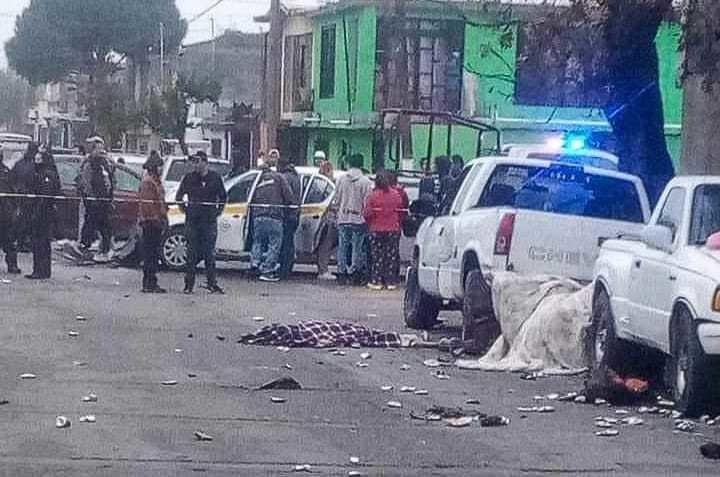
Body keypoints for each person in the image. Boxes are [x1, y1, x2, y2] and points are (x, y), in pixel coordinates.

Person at [175, 151, 227, 295]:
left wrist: (218, 211)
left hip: (209, 221)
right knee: (191, 254)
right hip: (193, 221)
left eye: (198, 161)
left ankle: (212, 283)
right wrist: (186, 210)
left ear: (205, 162)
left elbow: (223, 196)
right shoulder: (189, 178)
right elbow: (179, 196)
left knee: (209, 254)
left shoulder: (215, 178)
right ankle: (188, 285)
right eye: (194, 162)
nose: (195, 165)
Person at [249, 159, 295, 282]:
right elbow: (289, 196)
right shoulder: (279, 178)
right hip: (274, 216)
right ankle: (267, 271)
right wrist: (291, 208)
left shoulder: (257, 178)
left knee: (257, 241)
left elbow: (249, 195)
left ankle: (255, 263)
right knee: (274, 244)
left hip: (258, 216)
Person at [334, 153, 373, 285]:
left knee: (342, 246)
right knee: (357, 247)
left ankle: (341, 272)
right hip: (358, 219)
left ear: (349, 163)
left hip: (343, 217)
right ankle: (355, 273)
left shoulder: (341, 179)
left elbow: (337, 199)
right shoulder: (366, 182)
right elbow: (367, 203)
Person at [364, 171, 405, 291]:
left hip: (376, 229)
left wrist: (370, 222)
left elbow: (367, 213)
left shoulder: (373, 195)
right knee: (391, 256)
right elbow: (401, 210)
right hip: (393, 228)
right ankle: (390, 282)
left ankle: (376, 281)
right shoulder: (396, 194)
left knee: (377, 256)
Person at [77, 137, 115, 261]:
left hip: (104, 201)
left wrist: (109, 196)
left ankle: (105, 249)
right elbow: (86, 182)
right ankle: (85, 246)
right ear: (93, 150)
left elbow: (110, 179)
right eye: (98, 149)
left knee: (106, 226)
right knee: (90, 224)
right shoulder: (89, 164)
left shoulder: (104, 164)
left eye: (102, 148)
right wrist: (92, 198)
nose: (101, 151)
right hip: (94, 202)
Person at [26, 148, 61, 279]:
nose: (36, 162)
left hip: (43, 213)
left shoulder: (47, 175)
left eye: (38, 160)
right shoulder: (42, 173)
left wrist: (37, 211)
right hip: (41, 212)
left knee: (41, 242)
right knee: (41, 242)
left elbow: (45, 195)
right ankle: (41, 270)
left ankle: (41, 270)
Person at [138, 151, 167, 294]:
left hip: (156, 220)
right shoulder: (148, 182)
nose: (162, 169)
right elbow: (148, 205)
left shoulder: (155, 181)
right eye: (160, 166)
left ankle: (151, 282)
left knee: (153, 254)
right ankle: (149, 282)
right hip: (150, 222)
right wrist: (156, 219)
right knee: (150, 254)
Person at [11, 143, 38, 252]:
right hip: (30, 197)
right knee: (27, 221)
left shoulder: (19, 163)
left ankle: (20, 241)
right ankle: (24, 242)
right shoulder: (33, 165)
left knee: (21, 220)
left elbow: (12, 178)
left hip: (20, 196)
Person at [278, 155, 302, 280]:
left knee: (285, 242)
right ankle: (288, 266)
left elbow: (285, 196)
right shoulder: (296, 176)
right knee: (289, 241)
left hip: (287, 213)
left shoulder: (284, 177)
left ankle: (284, 268)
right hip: (295, 213)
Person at [0, 147, 21, 274]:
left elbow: (13, 191)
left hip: (5, 212)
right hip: (6, 212)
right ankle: (12, 265)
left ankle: (12, 265)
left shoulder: (6, 172)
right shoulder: (6, 171)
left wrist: (13, 207)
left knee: (9, 240)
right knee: (9, 240)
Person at [316, 159, 337, 280]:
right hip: (327, 220)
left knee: (324, 245)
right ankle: (323, 270)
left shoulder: (321, 183)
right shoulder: (325, 185)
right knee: (325, 245)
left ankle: (322, 268)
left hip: (324, 219)